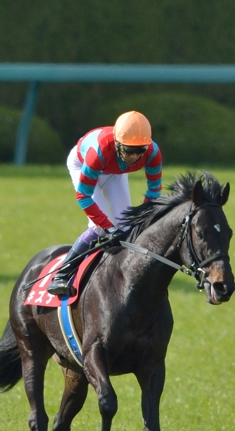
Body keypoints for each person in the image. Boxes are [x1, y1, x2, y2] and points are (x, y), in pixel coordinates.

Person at [47, 110, 163, 297]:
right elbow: (83, 197)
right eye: (128, 150)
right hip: (83, 163)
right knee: (98, 227)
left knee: (126, 226)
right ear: (117, 144)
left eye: (139, 151)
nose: (133, 157)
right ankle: (61, 275)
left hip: (114, 171)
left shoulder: (153, 153)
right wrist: (108, 227)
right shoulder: (98, 152)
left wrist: (142, 219)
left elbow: (154, 192)